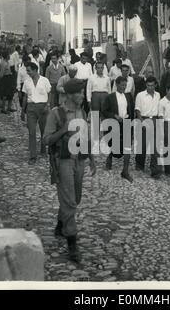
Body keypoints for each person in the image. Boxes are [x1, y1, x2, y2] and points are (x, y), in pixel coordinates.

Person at [43, 78, 96, 262]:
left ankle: (60, 224)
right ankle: (72, 242)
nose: (82, 96)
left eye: (82, 92)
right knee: (70, 202)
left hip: (79, 160)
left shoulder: (82, 110)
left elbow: (85, 135)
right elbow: (46, 140)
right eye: (78, 93)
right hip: (63, 161)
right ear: (68, 95)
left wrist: (91, 158)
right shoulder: (56, 113)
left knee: (75, 198)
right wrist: (63, 130)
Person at [102, 76, 135, 182]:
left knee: (127, 147)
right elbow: (104, 111)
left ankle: (125, 171)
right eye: (122, 85)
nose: (123, 87)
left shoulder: (128, 96)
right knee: (115, 145)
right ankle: (110, 157)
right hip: (114, 124)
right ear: (116, 85)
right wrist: (114, 116)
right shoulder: (110, 97)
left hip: (126, 123)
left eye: (125, 85)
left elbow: (131, 110)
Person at [22, 62, 51, 165]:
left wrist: (47, 106)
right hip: (31, 108)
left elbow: (49, 94)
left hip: (43, 107)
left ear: (35, 70)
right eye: (27, 70)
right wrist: (22, 111)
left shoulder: (44, 80)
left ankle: (43, 149)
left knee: (44, 130)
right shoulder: (26, 82)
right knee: (31, 132)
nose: (27, 72)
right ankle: (33, 155)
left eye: (29, 70)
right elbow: (25, 97)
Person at [134, 76, 161, 179]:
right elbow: (137, 110)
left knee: (155, 147)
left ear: (155, 85)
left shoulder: (158, 95)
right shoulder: (140, 95)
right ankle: (139, 164)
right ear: (146, 85)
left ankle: (155, 171)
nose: (150, 87)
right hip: (144, 119)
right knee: (143, 145)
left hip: (155, 120)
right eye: (148, 85)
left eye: (152, 85)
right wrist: (142, 122)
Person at [86, 61, 111, 145]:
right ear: (95, 68)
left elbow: (109, 90)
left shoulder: (107, 78)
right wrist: (89, 100)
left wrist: (110, 100)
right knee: (95, 117)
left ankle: (105, 137)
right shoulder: (91, 78)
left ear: (103, 68)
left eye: (101, 68)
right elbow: (88, 89)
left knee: (105, 117)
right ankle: (95, 138)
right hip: (95, 96)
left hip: (105, 97)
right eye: (98, 68)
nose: (100, 69)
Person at [17, 55, 31, 120]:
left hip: (31, 86)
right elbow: (18, 80)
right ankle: (24, 113)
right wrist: (19, 90)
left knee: (30, 102)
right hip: (23, 86)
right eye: (27, 62)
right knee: (22, 102)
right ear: (23, 62)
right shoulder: (20, 69)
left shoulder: (32, 68)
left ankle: (29, 116)